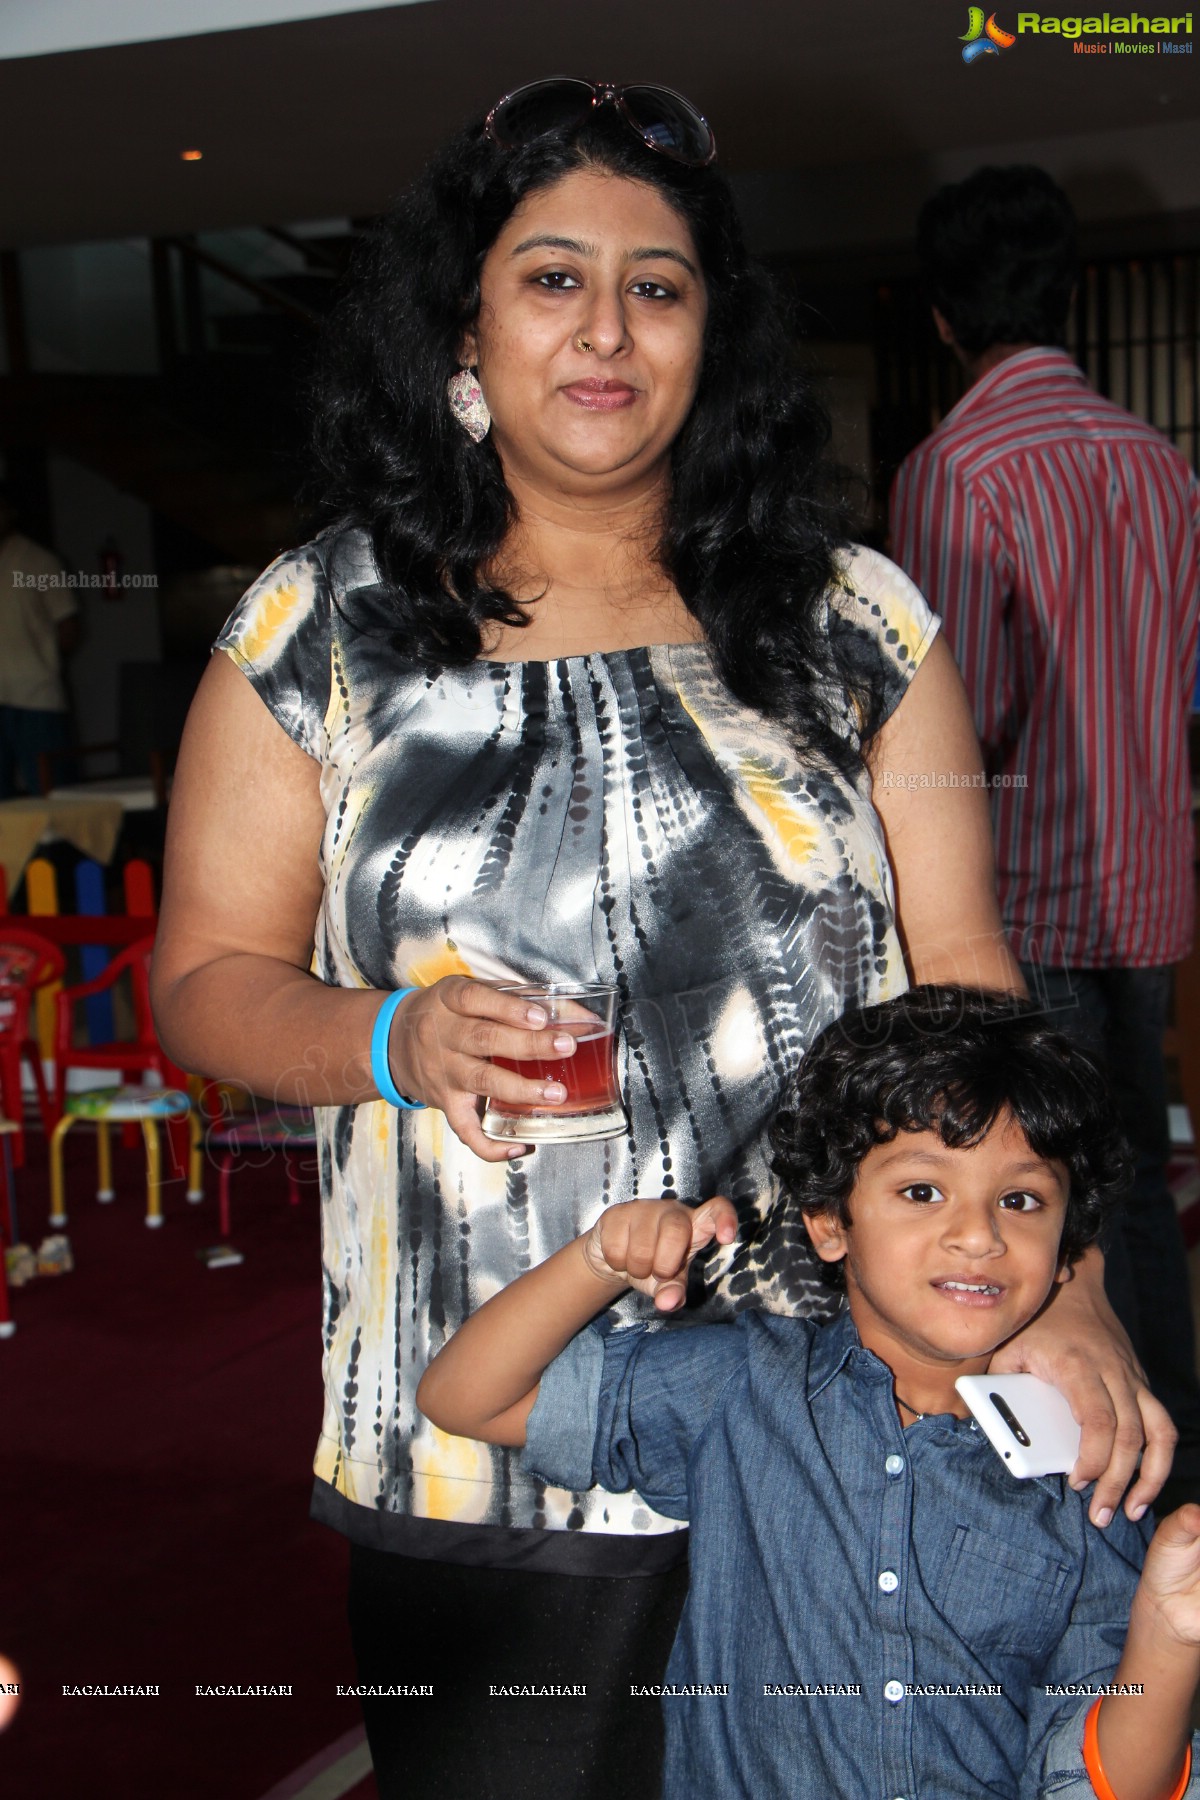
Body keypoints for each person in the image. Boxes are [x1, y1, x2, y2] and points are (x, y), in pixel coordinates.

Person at [151, 87, 1170, 1798]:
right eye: (551, 279)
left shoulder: (855, 624)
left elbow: (969, 985)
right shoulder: (316, 629)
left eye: (660, 285)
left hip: (838, 1416)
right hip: (482, 1422)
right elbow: (203, 983)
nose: (606, 329)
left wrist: (1060, 1289)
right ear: (466, 323)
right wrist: (389, 1043)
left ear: (715, 334)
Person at [418, 985, 1200, 1800]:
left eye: (1021, 1199)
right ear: (829, 1220)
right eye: (923, 1191)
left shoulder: (1087, 1474)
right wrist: (599, 1263)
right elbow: (466, 1397)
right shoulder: (742, 1387)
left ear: (1068, 1235)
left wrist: (1171, 1640)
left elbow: (1100, 1783)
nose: (980, 1235)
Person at [888, 166, 1200, 1479]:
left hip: (1021, 902)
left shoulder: (956, 469)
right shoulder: (1161, 464)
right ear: (1065, 294)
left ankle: (1110, 1488)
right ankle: (1172, 1465)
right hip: (1152, 883)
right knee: (1135, 1185)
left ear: (944, 318)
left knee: (1043, 1204)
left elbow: (964, 724)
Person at [0, 486, 78, 799]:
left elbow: (68, 626)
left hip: (36, 697)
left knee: (52, 795)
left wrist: (44, 664)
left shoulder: (37, 562)